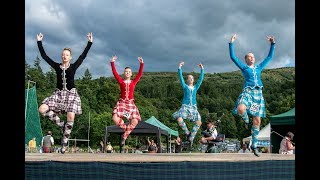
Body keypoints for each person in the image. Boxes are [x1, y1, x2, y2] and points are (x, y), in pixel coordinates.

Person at [37, 32, 93, 154]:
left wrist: (89, 43)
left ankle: (64, 144)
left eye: (67, 55)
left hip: (71, 94)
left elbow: (83, 56)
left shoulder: (73, 66)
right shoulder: (57, 66)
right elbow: (44, 56)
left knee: (71, 116)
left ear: (70, 57)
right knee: (42, 109)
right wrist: (39, 42)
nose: (64, 56)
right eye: (63, 55)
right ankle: (62, 125)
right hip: (58, 94)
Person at [228, 34, 275, 157]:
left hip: (258, 94)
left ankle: (254, 145)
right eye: (249, 57)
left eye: (253, 57)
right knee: (241, 108)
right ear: (246, 59)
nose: (252, 58)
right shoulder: (244, 67)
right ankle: (245, 119)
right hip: (248, 91)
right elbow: (233, 57)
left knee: (258, 121)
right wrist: (231, 43)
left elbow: (269, 57)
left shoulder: (259, 67)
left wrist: (272, 44)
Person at [110, 55, 144, 147]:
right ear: (124, 73)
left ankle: (124, 137)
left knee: (135, 121)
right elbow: (114, 73)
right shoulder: (121, 81)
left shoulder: (134, 82)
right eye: (126, 71)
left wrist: (141, 64)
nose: (128, 73)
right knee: (115, 118)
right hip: (122, 103)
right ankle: (125, 128)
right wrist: (112, 63)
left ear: (131, 74)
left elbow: (140, 74)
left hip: (130, 104)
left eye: (129, 72)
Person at [172, 61, 204, 150]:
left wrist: (202, 69)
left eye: (191, 78)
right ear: (187, 80)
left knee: (199, 122)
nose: (190, 79)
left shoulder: (196, 87)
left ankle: (191, 138)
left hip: (193, 107)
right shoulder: (185, 86)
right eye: (188, 78)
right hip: (185, 106)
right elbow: (181, 78)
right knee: (179, 118)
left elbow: (201, 80)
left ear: (193, 80)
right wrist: (179, 68)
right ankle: (187, 133)